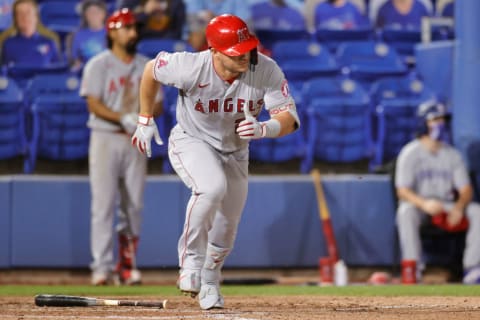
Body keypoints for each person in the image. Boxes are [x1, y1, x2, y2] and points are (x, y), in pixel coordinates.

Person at [131, 14, 300, 308]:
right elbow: (150, 71)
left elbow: (289, 119)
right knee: (211, 188)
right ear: (214, 51)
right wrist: (145, 118)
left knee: (228, 222)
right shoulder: (190, 66)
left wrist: (265, 128)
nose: (245, 57)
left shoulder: (265, 68)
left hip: (235, 150)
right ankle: (191, 263)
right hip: (192, 139)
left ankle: (210, 280)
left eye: (247, 48)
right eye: (236, 53)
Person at [80, 8, 163, 286]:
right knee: (102, 205)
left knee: (134, 205)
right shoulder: (98, 64)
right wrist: (123, 118)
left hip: (135, 139)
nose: (133, 32)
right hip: (104, 137)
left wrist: (141, 119)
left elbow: (159, 103)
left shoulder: (145, 65)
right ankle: (101, 268)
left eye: (134, 28)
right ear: (112, 31)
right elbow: (93, 102)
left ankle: (127, 266)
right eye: (127, 27)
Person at [395, 101, 480, 284]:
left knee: (477, 212)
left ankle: (472, 268)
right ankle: (412, 267)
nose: (440, 123)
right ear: (423, 123)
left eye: (442, 119)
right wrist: (424, 204)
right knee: (405, 211)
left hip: (446, 205)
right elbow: (402, 191)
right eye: (435, 119)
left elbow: (465, 189)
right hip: (421, 205)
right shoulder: (410, 153)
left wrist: (458, 208)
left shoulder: (452, 154)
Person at [0, 0, 61, 66]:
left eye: (28, 12)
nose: (25, 17)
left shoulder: (50, 43)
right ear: (15, 19)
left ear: (36, 17)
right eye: (20, 13)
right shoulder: (8, 44)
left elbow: (57, 71)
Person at [183, 0, 252, 51]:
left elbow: (245, 26)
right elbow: (190, 21)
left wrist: (216, 19)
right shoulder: (195, 3)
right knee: (197, 35)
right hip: (201, 39)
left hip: (231, 38)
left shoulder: (238, 2)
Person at [66, 0, 108, 72]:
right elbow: (75, 60)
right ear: (85, 16)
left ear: (103, 14)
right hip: (86, 72)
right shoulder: (77, 35)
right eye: (90, 13)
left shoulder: (113, 33)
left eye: (96, 12)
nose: (94, 16)